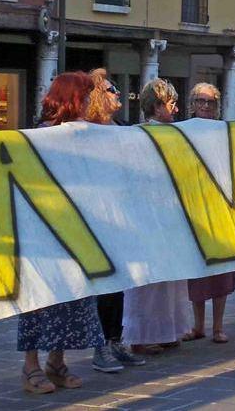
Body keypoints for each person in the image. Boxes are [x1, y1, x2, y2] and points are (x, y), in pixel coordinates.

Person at [18, 72, 106, 394]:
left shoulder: (87, 135)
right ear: (71, 98)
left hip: (77, 232)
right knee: (39, 299)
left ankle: (56, 362)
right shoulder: (39, 136)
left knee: (70, 298)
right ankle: (30, 367)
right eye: (83, 97)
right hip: (42, 233)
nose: (87, 103)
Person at [123, 79, 191, 353]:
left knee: (170, 277)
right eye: (170, 103)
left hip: (169, 210)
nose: (175, 109)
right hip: (146, 212)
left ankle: (167, 330)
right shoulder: (137, 135)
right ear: (156, 105)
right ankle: (141, 337)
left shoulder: (175, 134)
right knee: (147, 280)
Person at [86, 69, 146, 373]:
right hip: (99, 219)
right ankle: (99, 348)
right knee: (103, 287)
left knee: (120, 284)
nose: (118, 95)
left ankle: (115, 341)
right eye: (112, 90)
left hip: (123, 217)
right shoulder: (86, 132)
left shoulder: (124, 129)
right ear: (98, 95)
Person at [184, 83, 235, 344]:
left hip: (221, 208)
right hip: (194, 209)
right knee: (197, 271)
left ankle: (218, 326)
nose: (206, 106)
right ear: (192, 104)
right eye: (201, 101)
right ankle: (198, 325)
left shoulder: (225, 132)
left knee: (222, 272)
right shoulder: (181, 132)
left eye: (211, 102)